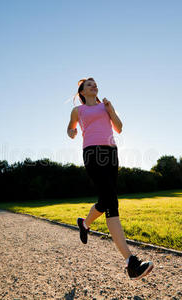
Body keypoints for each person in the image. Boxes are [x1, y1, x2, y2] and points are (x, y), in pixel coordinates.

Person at [66, 77, 153, 280]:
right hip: (92, 153)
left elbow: (119, 128)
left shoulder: (105, 106)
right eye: (89, 84)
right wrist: (72, 132)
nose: (94, 86)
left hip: (111, 154)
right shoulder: (78, 111)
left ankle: (85, 224)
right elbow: (70, 129)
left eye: (95, 83)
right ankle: (131, 262)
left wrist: (111, 109)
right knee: (111, 201)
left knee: (107, 200)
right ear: (82, 91)